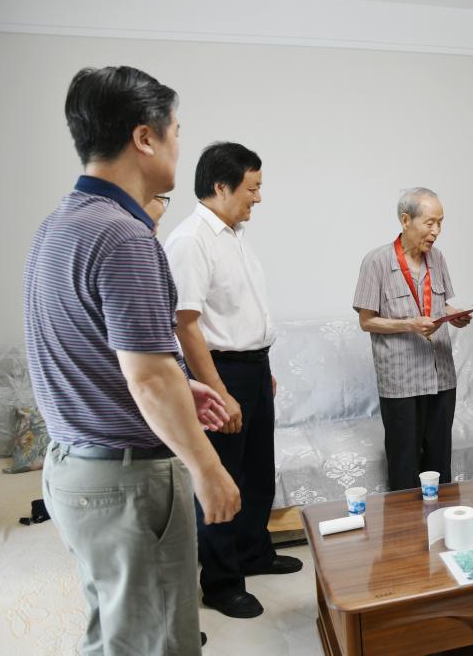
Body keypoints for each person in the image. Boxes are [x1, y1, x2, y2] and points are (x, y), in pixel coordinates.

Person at [24, 66, 240, 655]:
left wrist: (179, 386)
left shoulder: (58, 224)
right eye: (176, 131)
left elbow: (85, 349)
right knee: (157, 642)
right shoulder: (124, 235)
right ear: (145, 137)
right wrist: (207, 469)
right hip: (125, 481)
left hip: (73, 466)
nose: (178, 146)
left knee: (116, 633)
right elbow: (147, 377)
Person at [165, 142, 301, 619]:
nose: (258, 198)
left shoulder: (235, 234)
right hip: (219, 372)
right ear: (221, 187)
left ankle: (253, 553)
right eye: (252, 188)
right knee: (221, 477)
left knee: (258, 471)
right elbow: (185, 324)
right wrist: (220, 390)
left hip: (253, 368)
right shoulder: (191, 240)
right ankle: (221, 584)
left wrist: (263, 368)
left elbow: (240, 312)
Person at [353, 188, 471, 490]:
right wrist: (410, 324)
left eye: (440, 223)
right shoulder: (376, 262)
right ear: (406, 220)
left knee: (440, 466)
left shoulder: (437, 258)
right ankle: (404, 522)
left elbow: (441, 305)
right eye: (430, 223)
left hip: (442, 378)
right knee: (404, 468)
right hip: (401, 382)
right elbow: (366, 321)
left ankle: (442, 518)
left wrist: (455, 314)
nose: (436, 231)